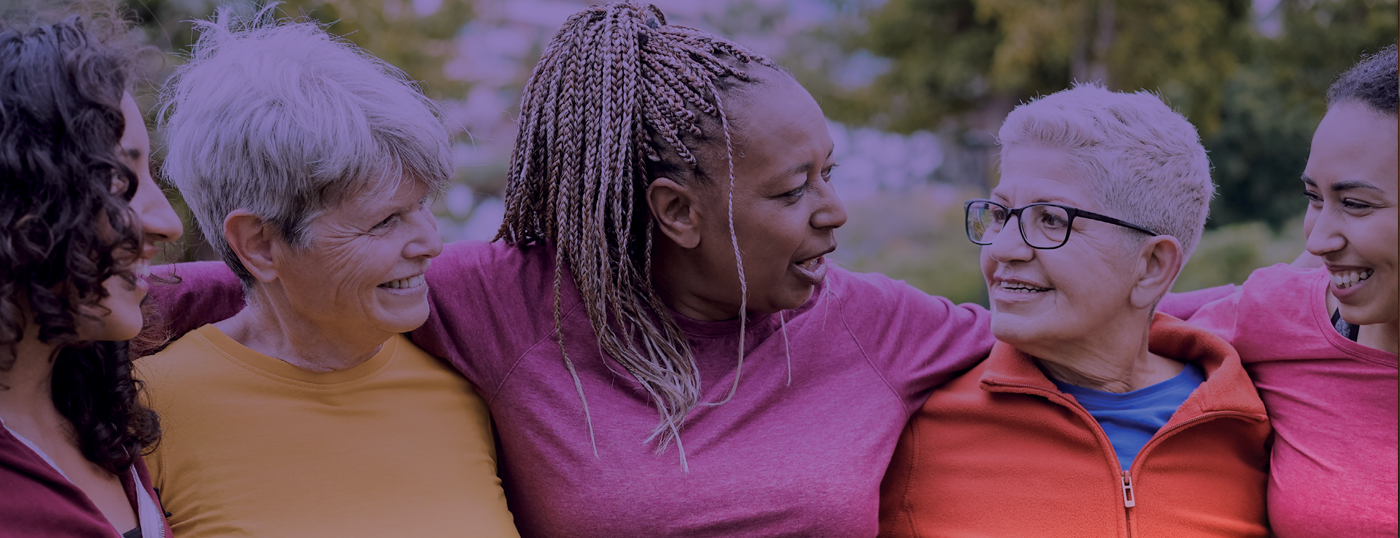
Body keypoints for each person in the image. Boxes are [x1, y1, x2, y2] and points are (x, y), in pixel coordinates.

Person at [149, 2, 994, 535]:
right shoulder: (509, 304)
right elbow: (293, 286)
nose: (832, 211)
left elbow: (1063, 329)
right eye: (791, 189)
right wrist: (89, 296)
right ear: (676, 211)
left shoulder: (874, 323)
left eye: (829, 173)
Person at [134, 9, 518, 537]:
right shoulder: (146, 409)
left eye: (424, 205)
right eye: (386, 221)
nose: (432, 244)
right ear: (260, 244)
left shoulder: (470, 386)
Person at [879, 84, 1271, 537]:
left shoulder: (1258, 424)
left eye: (1051, 219)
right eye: (1003, 214)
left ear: (1151, 266)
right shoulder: (913, 428)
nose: (1003, 248)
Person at [1176, 44, 1397, 537]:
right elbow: (1115, 321)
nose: (1316, 241)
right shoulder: (1280, 313)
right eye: (1314, 198)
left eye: (1356, 203)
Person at [0, 11, 180, 538]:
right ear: (21, 202)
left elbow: (220, 290)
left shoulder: (90, 406)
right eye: (118, 178)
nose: (168, 222)